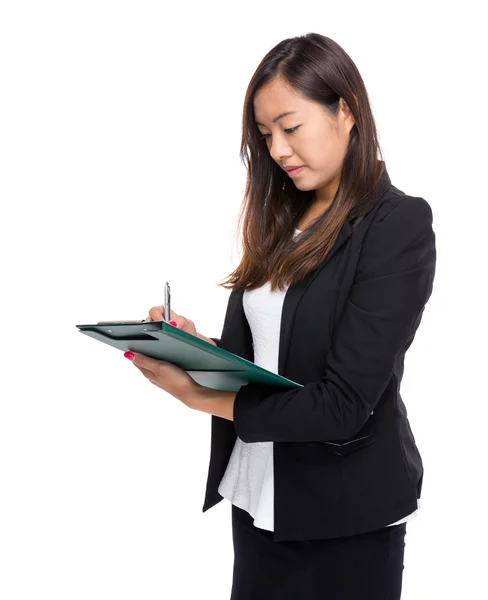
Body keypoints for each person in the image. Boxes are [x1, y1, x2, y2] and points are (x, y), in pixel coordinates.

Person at [134, 32, 436, 600]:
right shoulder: (283, 221)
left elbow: (343, 405)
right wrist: (195, 348)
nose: (277, 150)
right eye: (266, 135)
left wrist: (199, 397)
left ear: (345, 110)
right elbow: (268, 358)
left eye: (290, 128)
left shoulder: (397, 226)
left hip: (345, 521)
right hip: (256, 501)